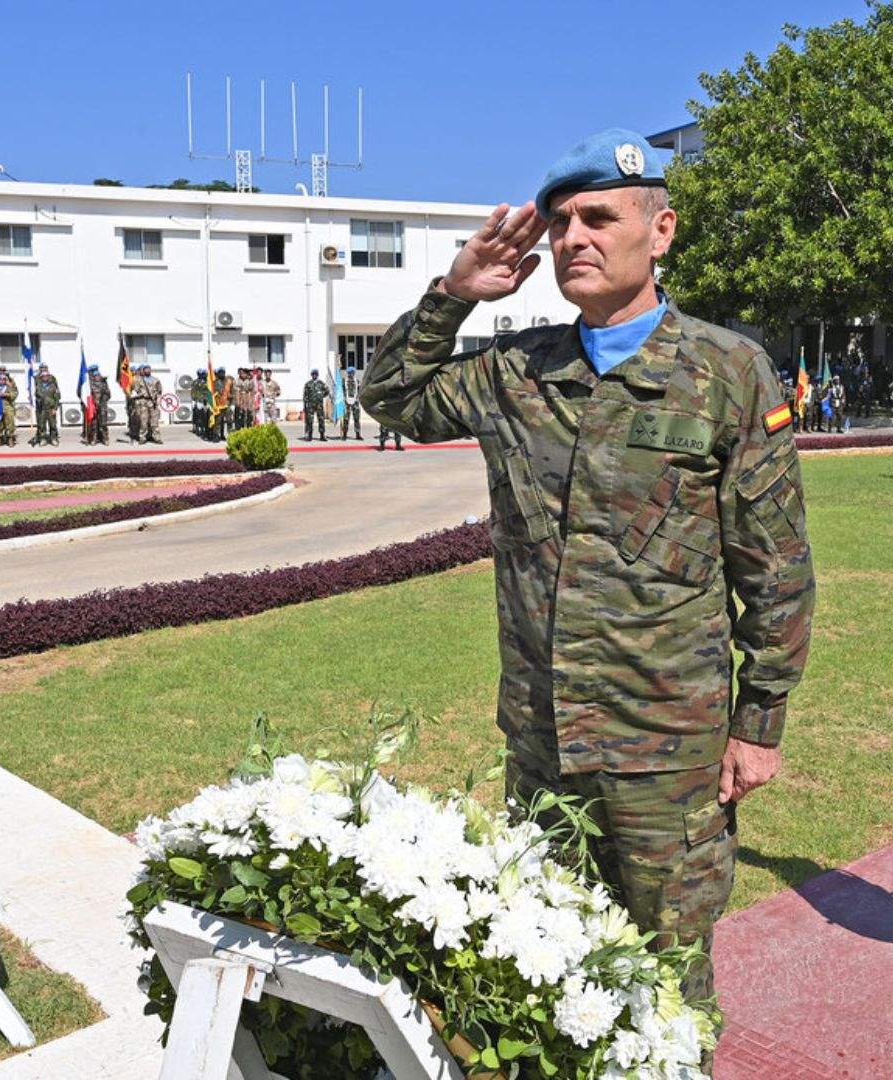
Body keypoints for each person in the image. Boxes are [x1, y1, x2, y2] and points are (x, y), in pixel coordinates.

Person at [360, 129, 815, 1028]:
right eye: (562, 222)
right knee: (544, 973)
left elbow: (777, 570)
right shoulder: (517, 370)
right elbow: (392, 399)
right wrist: (453, 296)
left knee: (666, 992)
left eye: (599, 218)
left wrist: (759, 725)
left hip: (667, 753)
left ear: (661, 231)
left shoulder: (727, 372)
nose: (574, 238)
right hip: (542, 745)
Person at [132, 364, 164, 443]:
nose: (147, 370)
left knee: (154, 421)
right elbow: (134, 391)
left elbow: (159, 391)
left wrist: (158, 399)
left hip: (153, 402)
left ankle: (156, 437)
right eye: (145, 369)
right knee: (143, 421)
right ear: (143, 370)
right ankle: (143, 438)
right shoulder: (138, 380)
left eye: (149, 369)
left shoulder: (156, 380)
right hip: (143, 402)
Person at [31, 363, 61, 446]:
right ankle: (43, 439)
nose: (45, 377)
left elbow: (57, 396)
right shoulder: (38, 384)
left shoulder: (53, 384)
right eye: (43, 376)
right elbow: (36, 395)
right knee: (41, 425)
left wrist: (55, 408)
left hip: (51, 408)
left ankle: (53, 438)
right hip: (41, 408)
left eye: (46, 375)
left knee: (53, 424)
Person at [82, 369, 112, 445]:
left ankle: (105, 439)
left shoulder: (104, 384)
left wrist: (103, 399)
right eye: (95, 376)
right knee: (94, 424)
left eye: (98, 375)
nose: (97, 377)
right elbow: (88, 395)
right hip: (93, 407)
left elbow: (108, 394)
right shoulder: (90, 385)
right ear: (93, 377)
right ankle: (94, 439)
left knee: (103, 423)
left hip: (102, 406)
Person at [300, 369, 329, 442]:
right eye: (313, 374)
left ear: (317, 375)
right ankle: (310, 435)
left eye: (315, 374)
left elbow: (327, 391)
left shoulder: (321, 383)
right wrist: (305, 405)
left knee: (321, 419)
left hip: (319, 404)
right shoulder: (308, 384)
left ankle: (322, 435)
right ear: (311, 375)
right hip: (310, 405)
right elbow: (305, 395)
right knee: (309, 420)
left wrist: (321, 395)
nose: (314, 375)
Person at [0, 369, 19, 447]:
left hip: (8, 407)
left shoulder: (10, 385)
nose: (1, 380)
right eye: (0, 379)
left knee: (10, 424)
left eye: (3, 379)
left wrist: (5, 394)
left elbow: (14, 395)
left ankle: (10, 439)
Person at [338, 364, 365, 441]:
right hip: (346, 403)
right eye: (350, 372)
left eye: (352, 372)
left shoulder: (357, 381)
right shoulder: (344, 381)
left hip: (355, 403)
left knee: (356, 419)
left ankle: (358, 434)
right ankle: (344, 435)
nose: (351, 374)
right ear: (347, 373)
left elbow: (360, 390)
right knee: (346, 419)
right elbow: (341, 391)